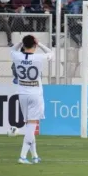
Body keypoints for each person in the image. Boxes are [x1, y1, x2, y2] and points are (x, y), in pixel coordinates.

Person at [11, 35, 53, 164]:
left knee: (29, 125)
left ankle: (34, 156)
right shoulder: (39, 57)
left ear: (23, 45)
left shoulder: (16, 56)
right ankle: (22, 156)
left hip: (22, 93)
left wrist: (20, 42)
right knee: (32, 126)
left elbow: (12, 49)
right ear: (34, 45)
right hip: (35, 94)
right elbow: (51, 53)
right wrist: (39, 44)